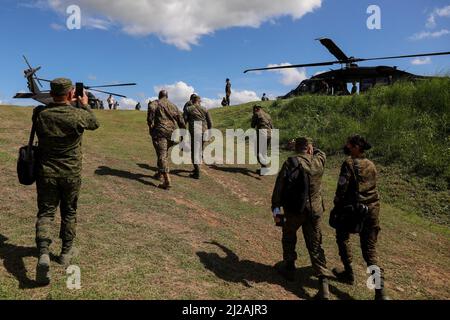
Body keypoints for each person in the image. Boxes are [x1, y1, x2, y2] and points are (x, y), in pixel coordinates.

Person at [33, 78, 100, 285]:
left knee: (46, 212)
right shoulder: (77, 115)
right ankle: (65, 252)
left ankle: (43, 252)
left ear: (51, 93)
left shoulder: (40, 114)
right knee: (69, 211)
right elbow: (95, 123)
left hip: (46, 173)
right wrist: (85, 103)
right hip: (71, 173)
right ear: (71, 94)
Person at [271, 137, 331, 300]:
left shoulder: (290, 162)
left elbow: (279, 189)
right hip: (315, 212)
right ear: (310, 148)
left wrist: (276, 212)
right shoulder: (318, 162)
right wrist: (311, 147)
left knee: (288, 236)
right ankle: (323, 285)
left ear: (296, 148)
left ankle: (289, 267)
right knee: (316, 245)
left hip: (293, 211)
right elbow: (321, 153)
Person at [332, 135, 389, 300]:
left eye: (349, 144)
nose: (346, 146)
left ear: (356, 146)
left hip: (353, 209)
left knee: (342, 237)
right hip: (372, 210)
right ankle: (380, 291)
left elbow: (342, 188)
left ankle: (348, 273)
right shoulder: (371, 164)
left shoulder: (349, 163)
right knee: (370, 250)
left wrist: (337, 205)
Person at [148, 90, 185, 189]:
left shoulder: (155, 103)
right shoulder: (174, 106)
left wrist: (150, 124)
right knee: (163, 152)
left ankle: (167, 181)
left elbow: (151, 109)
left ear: (159, 96)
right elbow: (181, 122)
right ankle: (160, 173)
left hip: (161, 132)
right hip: (172, 133)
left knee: (162, 155)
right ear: (167, 96)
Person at [183, 95, 213, 179]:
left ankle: (197, 172)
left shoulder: (188, 109)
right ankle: (197, 167)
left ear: (192, 101)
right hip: (204, 132)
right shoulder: (205, 109)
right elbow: (210, 123)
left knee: (194, 151)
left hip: (195, 132)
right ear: (199, 101)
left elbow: (183, 121)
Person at [251, 105, 273, 176]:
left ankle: (264, 168)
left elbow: (252, 125)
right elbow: (272, 126)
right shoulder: (267, 115)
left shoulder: (257, 114)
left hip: (262, 134)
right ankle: (263, 168)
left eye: (253, 110)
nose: (253, 111)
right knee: (263, 152)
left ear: (256, 109)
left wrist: (254, 117)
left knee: (258, 152)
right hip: (269, 135)